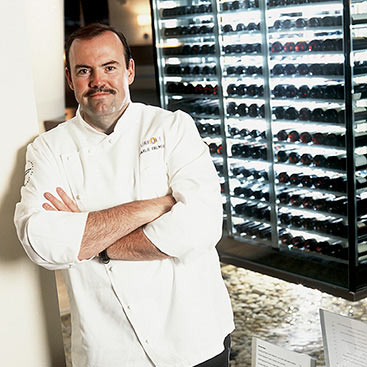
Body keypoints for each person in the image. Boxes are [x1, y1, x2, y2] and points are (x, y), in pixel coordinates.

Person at [14, 23, 234, 367]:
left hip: (194, 337)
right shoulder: (48, 149)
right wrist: (154, 207)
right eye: (84, 70)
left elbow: (201, 225)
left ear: (129, 71)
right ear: (71, 79)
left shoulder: (172, 127)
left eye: (110, 67)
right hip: (110, 348)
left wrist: (91, 243)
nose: (97, 80)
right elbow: (39, 241)